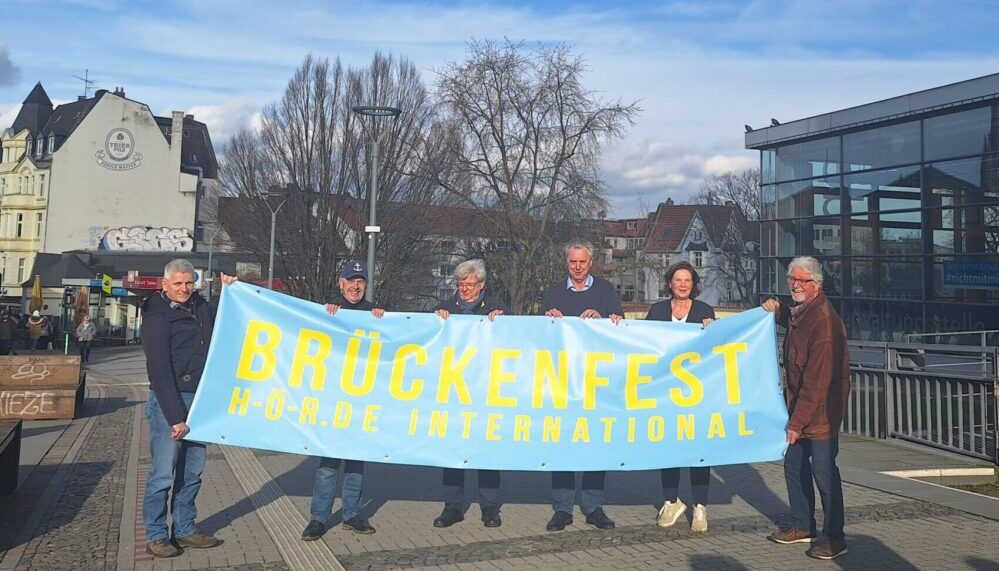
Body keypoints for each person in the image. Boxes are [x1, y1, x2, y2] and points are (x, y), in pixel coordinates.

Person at [141, 259, 237, 558]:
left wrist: (229, 291)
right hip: (171, 403)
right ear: (165, 284)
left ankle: (184, 529)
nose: (184, 289)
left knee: (192, 472)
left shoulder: (200, 308)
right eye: (178, 284)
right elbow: (159, 371)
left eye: (188, 282)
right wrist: (175, 418)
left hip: (200, 402)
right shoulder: (157, 318)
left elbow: (227, 320)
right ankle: (156, 535)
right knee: (163, 475)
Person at [762, 256, 850, 560]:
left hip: (821, 414)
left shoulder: (823, 324)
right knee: (794, 468)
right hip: (800, 409)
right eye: (792, 280)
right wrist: (774, 309)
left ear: (817, 285)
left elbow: (816, 384)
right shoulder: (802, 312)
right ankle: (802, 525)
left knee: (824, 475)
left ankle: (835, 537)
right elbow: (791, 315)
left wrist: (795, 424)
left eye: (803, 281)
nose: (796, 286)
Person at [540, 241, 623, 532]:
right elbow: (536, 334)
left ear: (591, 263)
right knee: (563, 445)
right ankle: (562, 508)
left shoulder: (605, 291)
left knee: (593, 445)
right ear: (567, 263)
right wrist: (547, 319)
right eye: (573, 262)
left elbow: (621, 328)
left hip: (595, 382)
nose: (577, 267)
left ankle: (593, 506)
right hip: (562, 381)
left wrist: (603, 320)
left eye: (582, 262)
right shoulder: (553, 292)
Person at [301, 260, 381, 541]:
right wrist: (326, 317)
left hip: (361, 400)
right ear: (341, 283)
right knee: (329, 463)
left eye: (360, 281)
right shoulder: (328, 311)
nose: (355, 286)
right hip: (333, 400)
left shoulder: (375, 314)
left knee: (356, 462)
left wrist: (383, 320)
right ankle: (319, 518)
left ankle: (352, 514)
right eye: (350, 280)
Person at [432, 259, 510, 529]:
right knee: (453, 451)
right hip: (454, 393)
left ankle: (490, 508)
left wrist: (504, 323)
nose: (464, 289)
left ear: (482, 285)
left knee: (486, 450)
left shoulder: (498, 307)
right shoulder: (443, 309)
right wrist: (436, 323)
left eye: (469, 284)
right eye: (460, 284)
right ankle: (452, 507)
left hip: (486, 393)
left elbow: (517, 340)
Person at [646, 261, 715, 533]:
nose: (683, 284)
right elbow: (642, 343)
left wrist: (714, 330)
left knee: (698, 451)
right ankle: (671, 501)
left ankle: (700, 507)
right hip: (666, 394)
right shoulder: (658, 310)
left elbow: (716, 349)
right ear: (670, 283)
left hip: (697, 395)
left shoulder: (704, 311)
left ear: (693, 284)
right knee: (670, 449)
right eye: (678, 280)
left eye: (688, 280)